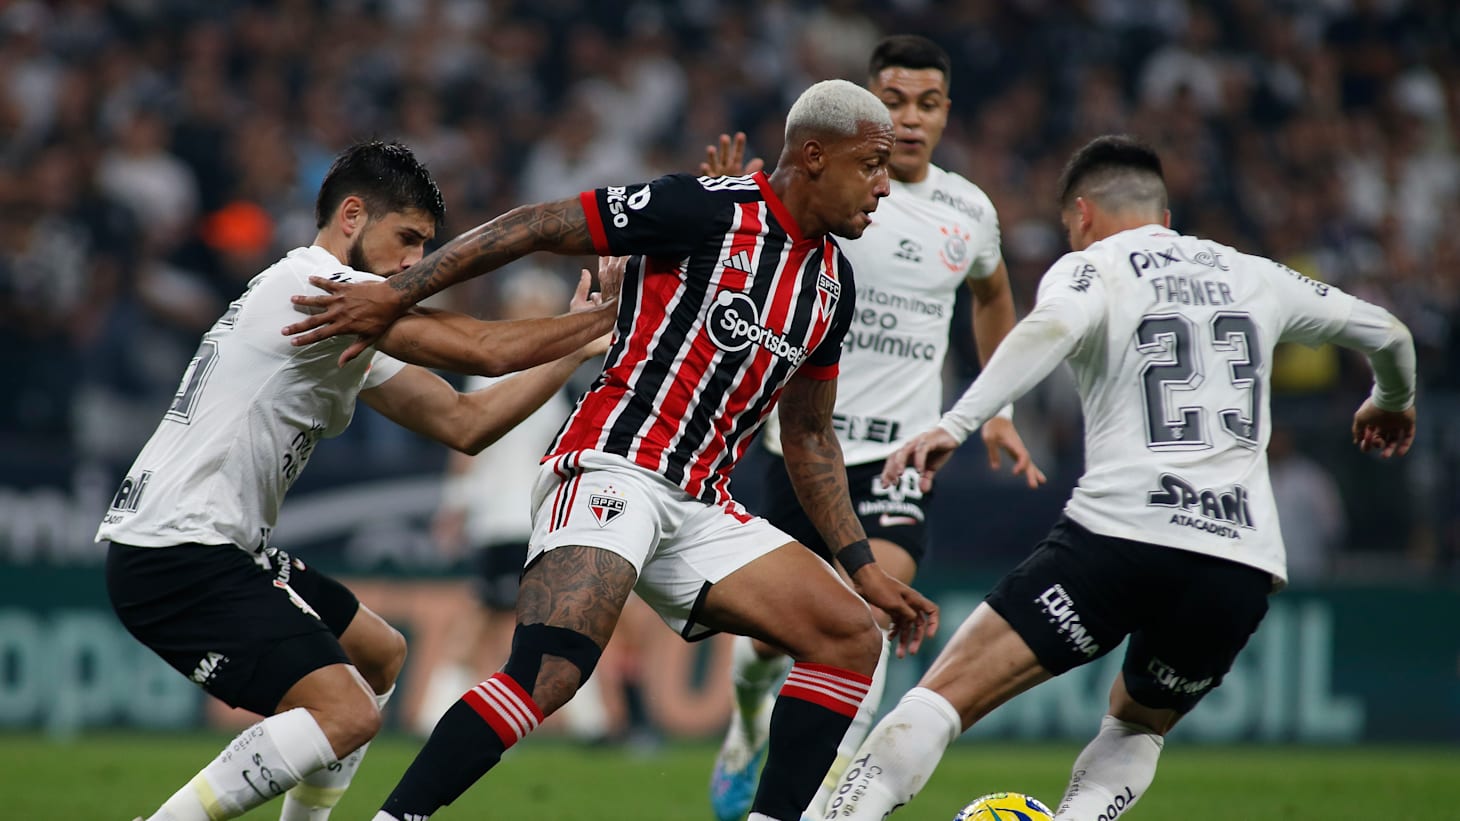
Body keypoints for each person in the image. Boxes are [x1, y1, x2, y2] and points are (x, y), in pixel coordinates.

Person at [282, 79, 941, 821]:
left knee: (851, 636)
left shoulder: (830, 285)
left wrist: (863, 569)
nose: (885, 186)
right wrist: (398, 295)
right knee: (551, 671)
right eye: (873, 164)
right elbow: (539, 223)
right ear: (815, 156)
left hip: (702, 504)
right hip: (613, 464)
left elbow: (811, 435)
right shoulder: (705, 209)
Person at [822, 134, 1417, 820]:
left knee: (939, 697)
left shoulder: (1094, 266)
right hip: (1238, 559)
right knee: (1135, 726)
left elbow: (1047, 328)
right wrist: (1393, 403)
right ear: (1164, 215)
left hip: (1122, 533)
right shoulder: (1255, 273)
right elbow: (1391, 334)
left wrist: (957, 423)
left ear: (1081, 214)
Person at [99, 140, 620, 821]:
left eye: (424, 247)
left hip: (218, 545)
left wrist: (577, 347)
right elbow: (480, 349)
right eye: (407, 239)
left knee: (378, 654)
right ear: (352, 215)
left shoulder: (342, 322)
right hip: (177, 550)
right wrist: (600, 318)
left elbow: (464, 420)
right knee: (345, 712)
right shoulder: (315, 289)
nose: (413, 265)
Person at [698, 35, 1047, 821]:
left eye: (928, 103)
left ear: (947, 111)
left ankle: (832, 796)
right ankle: (748, 724)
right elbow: (742, 255)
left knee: (872, 617)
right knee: (767, 642)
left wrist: (1000, 408)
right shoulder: (823, 187)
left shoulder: (969, 212)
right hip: (803, 446)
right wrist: (726, 208)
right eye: (894, 101)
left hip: (897, 455)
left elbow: (993, 297)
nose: (912, 119)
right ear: (866, 101)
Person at [416, 267, 608, 742]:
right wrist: (456, 506)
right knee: (515, 615)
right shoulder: (505, 378)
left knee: (533, 615)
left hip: (536, 517)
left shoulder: (555, 374)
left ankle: (587, 722)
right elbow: (468, 449)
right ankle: (439, 714)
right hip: (509, 517)